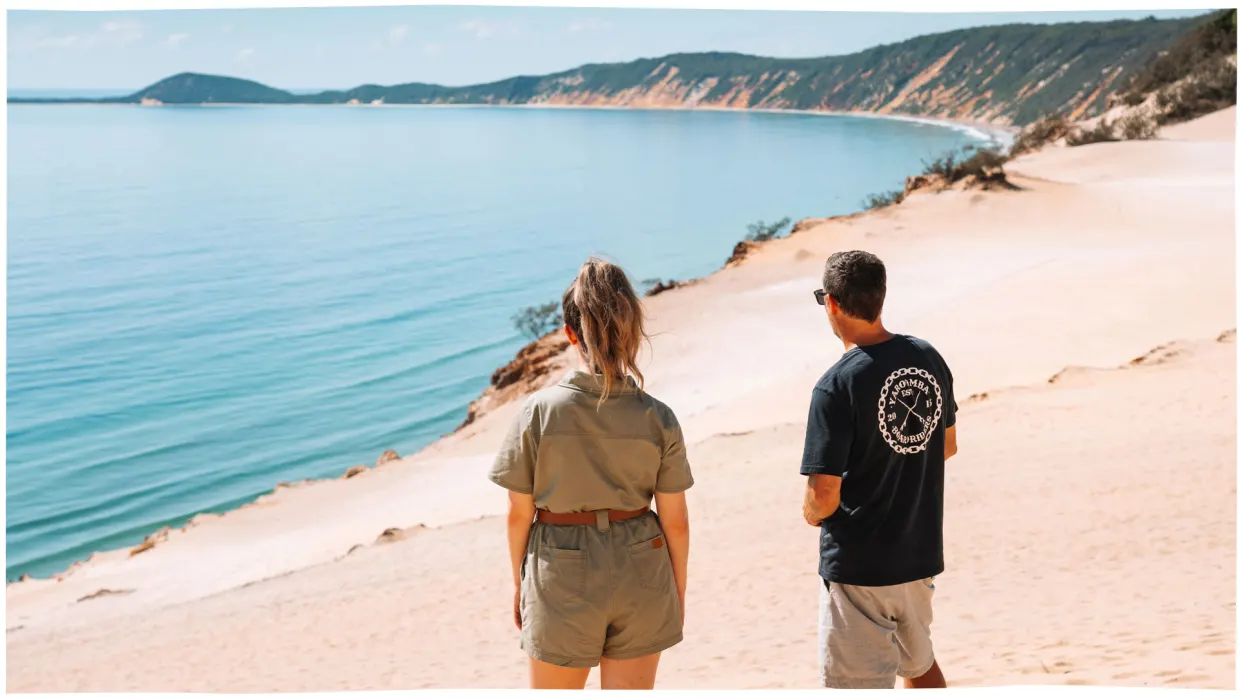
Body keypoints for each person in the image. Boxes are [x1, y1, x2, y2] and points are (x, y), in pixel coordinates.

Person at [489, 256, 693, 690]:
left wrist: (518, 584)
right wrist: (675, 590)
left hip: (560, 565)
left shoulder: (538, 412)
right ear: (629, 329)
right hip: (644, 562)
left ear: (569, 333)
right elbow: (676, 521)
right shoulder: (659, 417)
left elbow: (517, 516)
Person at [800, 250, 958, 690]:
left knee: (855, 686)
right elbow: (946, 445)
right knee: (920, 666)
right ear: (880, 297)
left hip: (860, 567)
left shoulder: (835, 386)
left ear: (831, 303)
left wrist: (810, 514)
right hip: (918, 553)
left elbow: (824, 495)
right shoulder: (927, 357)